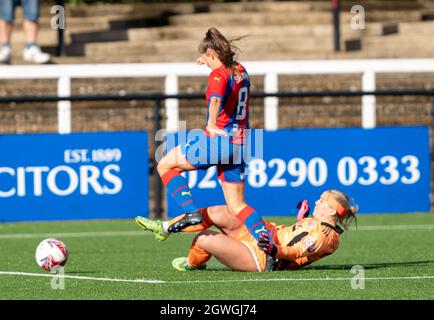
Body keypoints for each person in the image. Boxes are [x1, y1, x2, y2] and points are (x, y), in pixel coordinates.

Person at [156, 27, 271, 254]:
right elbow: (225, 74)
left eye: (207, 57)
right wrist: (209, 60)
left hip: (221, 140)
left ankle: (190, 212)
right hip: (241, 143)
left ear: (212, 53)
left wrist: (211, 124)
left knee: (165, 164)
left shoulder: (217, 76)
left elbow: (216, 101)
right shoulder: (241, 70)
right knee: (237, 206)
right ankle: (266, 242)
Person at [135, 190, 358, 272]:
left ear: (331, 209)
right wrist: (300, 217)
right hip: (265, 234)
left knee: (203, 238)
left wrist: (272, 250)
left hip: (264, 257)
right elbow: (296, 234)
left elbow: (294, 252)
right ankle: (165, 227)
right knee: (221, 211)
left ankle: (192, 264)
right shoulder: (318, 225)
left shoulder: (325, 236)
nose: (317, 202)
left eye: (322, 200)